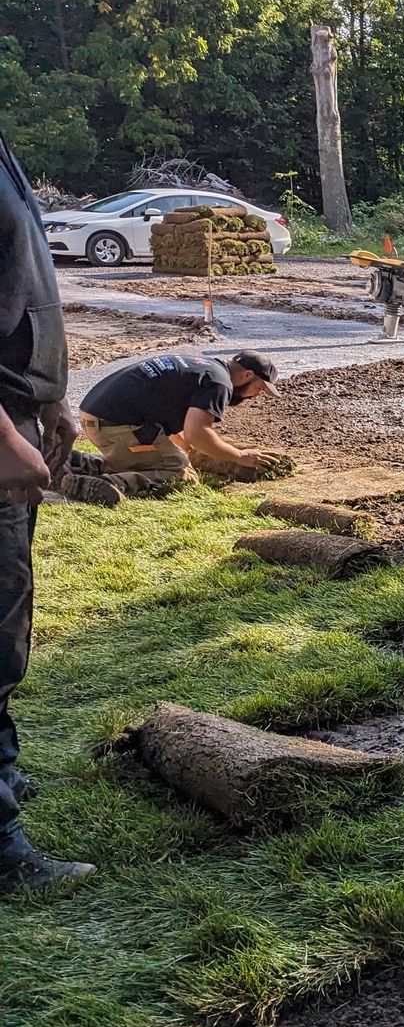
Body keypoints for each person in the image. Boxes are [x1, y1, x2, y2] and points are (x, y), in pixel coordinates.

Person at [0, 130, 95, 893]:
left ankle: (2, 772)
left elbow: (22, 287)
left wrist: (51, 396)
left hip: (18, 408)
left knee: (8, 614)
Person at [59, 350, 279, 506]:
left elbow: (173, 421)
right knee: (178, 472)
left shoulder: (202, 365)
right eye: (258, 388)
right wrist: (239, 456)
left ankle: (74, 462)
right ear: (247, 375)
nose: (255, 396)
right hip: (116, 425)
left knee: (159, 458)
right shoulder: (220, 384)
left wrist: (187, 448)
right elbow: (197, 433)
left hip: (96, 416)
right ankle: (105, 484)